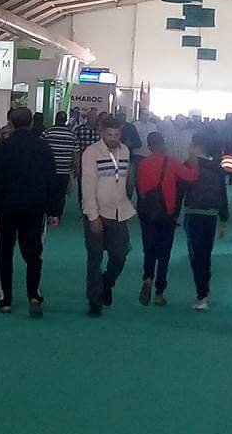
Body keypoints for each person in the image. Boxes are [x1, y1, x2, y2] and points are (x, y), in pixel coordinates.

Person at [0, 105, 58, 316]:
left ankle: (5, 300)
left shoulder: (3, 147)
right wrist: (54, 210)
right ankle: (33, 295)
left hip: (7, 207)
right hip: (35, 207)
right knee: (34, 253)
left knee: (4, 253)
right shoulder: (43, 147)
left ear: (11, 123)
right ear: (31, 123)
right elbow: (51, 179)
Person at [79, 113, 135, 318]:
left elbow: (125, 181)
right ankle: (94, 302)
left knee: (120, 255)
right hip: (97, 212)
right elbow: (87, 185)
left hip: (119, 211)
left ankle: (106, 283)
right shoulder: (91, 153)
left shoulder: (125, 151)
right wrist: (92, 215)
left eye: (116, 134)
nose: (113, 138)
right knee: (95, 259)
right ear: (101, 133)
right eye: (109, 134)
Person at [133, 131, 188, 306]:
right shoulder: (172, 162)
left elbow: (139, 188)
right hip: (167, 213)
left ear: (149, 147)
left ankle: (148, 278)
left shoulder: (142, 164)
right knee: (164, 253)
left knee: (149, 249)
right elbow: (190, 176)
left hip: (147, 213)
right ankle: (159, 292)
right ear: (163, 144)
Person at [179, 132, 229, 311]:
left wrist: (173, 214)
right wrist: (224, 219)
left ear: (196, 147)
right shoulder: (217, 167)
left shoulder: (189, 165)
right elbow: (223, 194)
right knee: (206, 254)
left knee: (196, 255)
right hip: (211, 216)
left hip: (194, 214)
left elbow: (180, 190)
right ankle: (204, 291)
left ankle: (201, 294)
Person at [41, 110, 78, 221]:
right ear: (65, 120)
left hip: (49, 170)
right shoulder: (72, 134)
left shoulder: (48, 132)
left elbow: (41, 148)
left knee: (49, 192)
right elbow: (76, 152)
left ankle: (49, 213)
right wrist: (76, 167)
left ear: (56, 119)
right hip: (64, 169)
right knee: (61, 193)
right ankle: (57, 214)